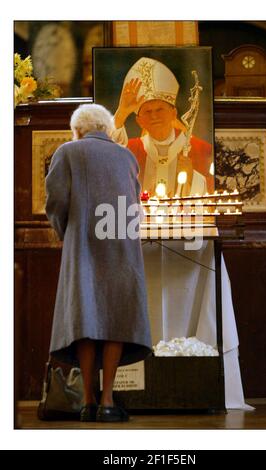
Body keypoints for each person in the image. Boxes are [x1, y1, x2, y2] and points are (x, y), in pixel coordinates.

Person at [45, 103, 152, 422]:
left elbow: (56, 201)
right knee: (116, 318)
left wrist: (68, 232)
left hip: (84, 248)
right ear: (106, 130)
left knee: (86, 320)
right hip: (122, 245)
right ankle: (107, 402)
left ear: (77, 130)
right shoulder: (127, 156)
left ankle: (87, 402)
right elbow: (135, 204)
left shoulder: (69, 151)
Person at [113, 57, 214, 197]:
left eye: (160, 109)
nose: (154, 116)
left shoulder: (200, 149)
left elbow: (214, 194)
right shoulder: (131, 150)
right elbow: (106, 161)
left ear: (174, 113)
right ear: (139, 121)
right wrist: (121, 114)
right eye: (148, 111)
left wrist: (192, 177)